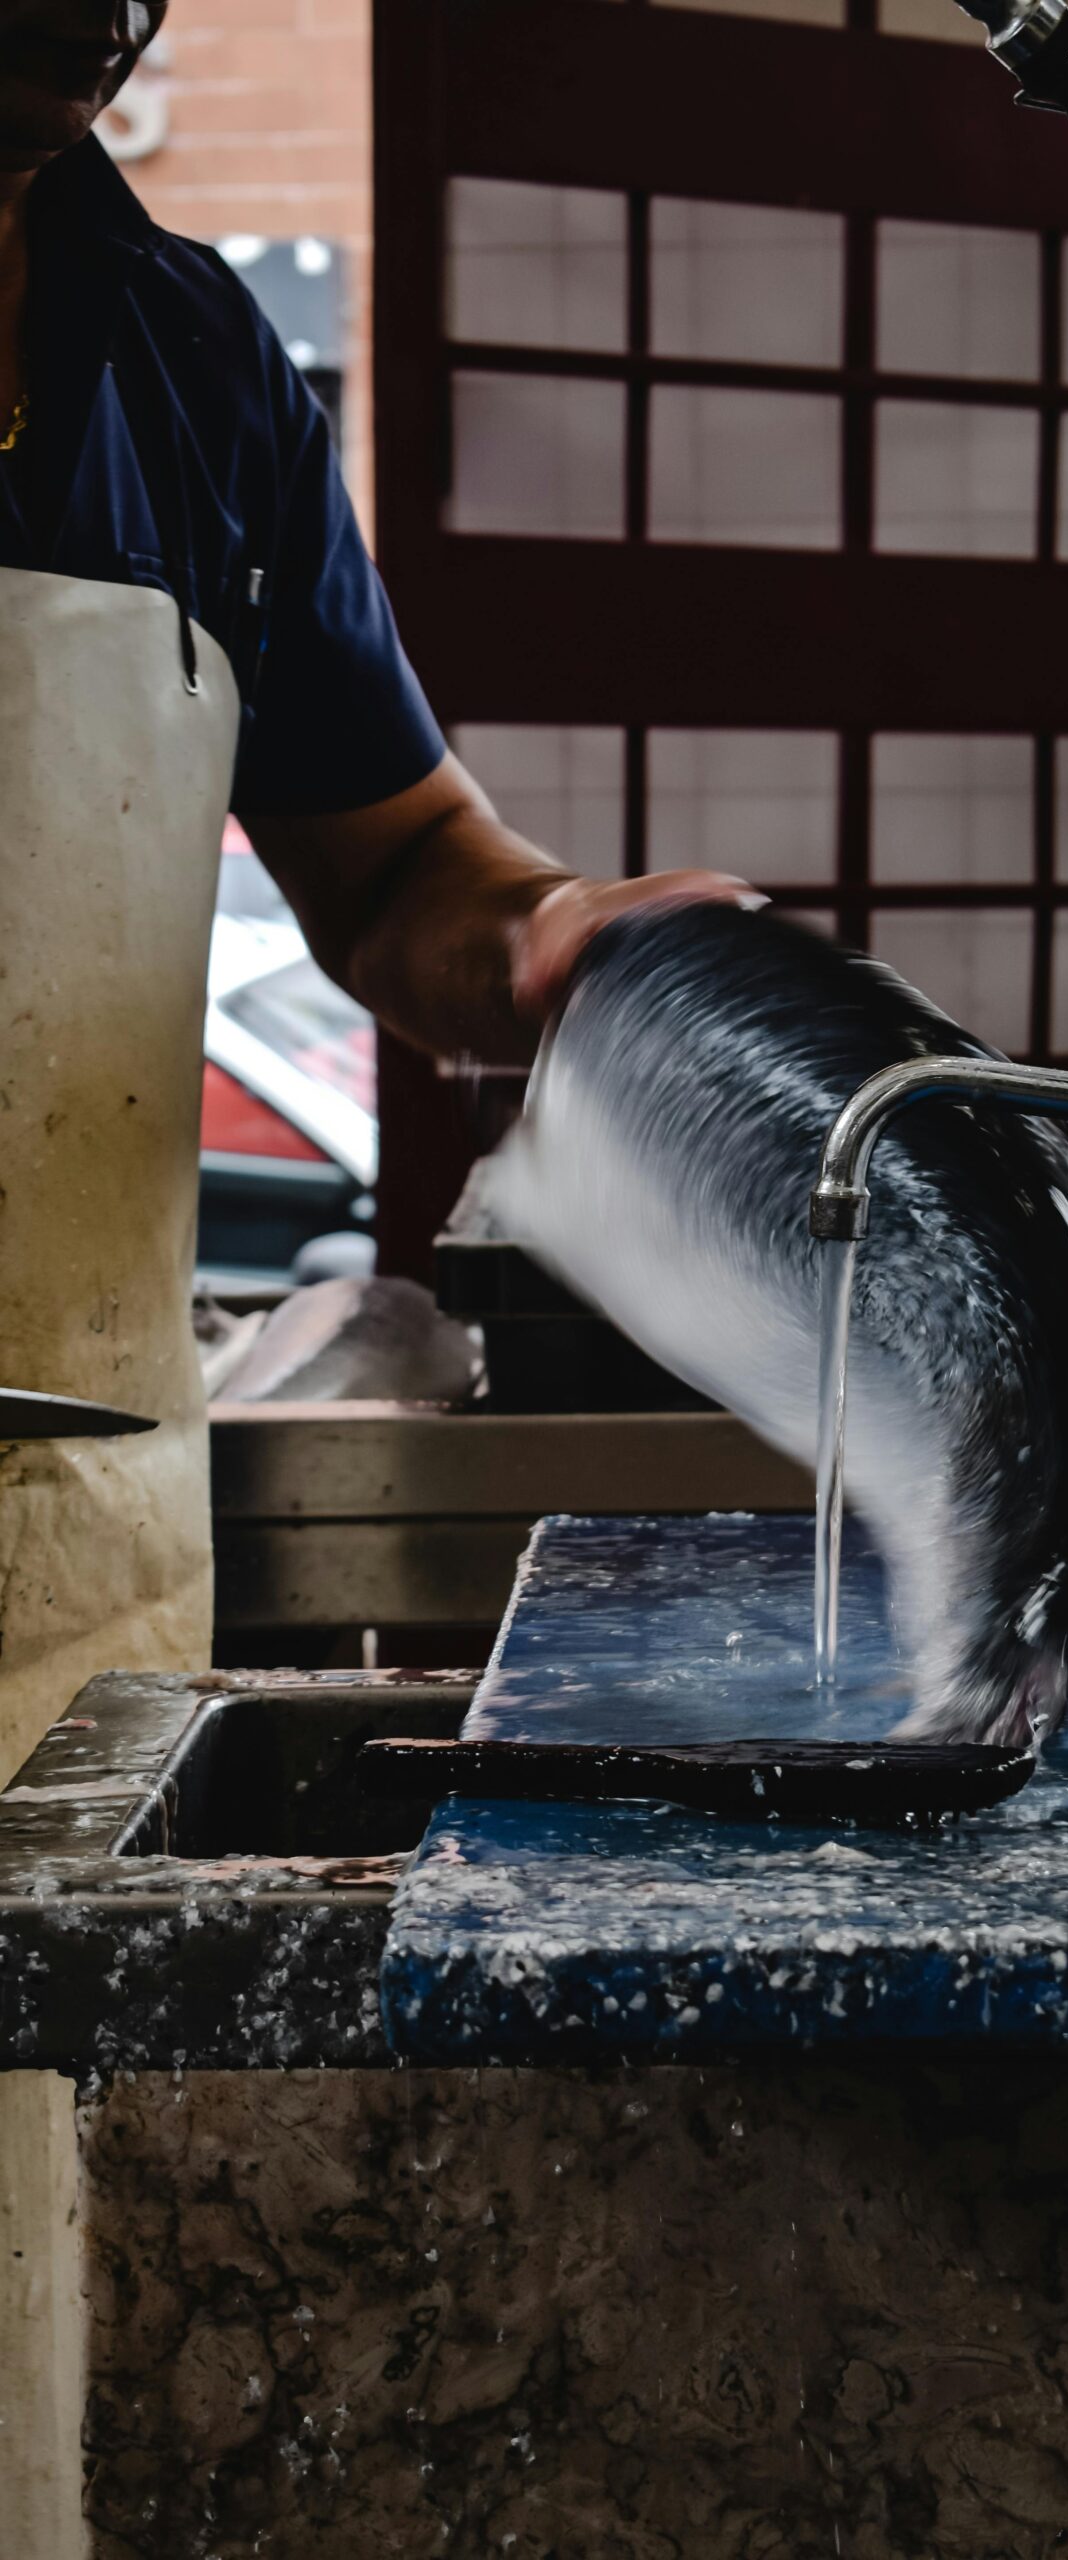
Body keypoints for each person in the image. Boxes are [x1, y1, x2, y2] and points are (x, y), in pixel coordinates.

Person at [0, 1, 753, 1775]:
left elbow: (402, 859)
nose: (100, 20)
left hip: (56, 1531)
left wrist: (545, 943)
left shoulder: (189, 359)